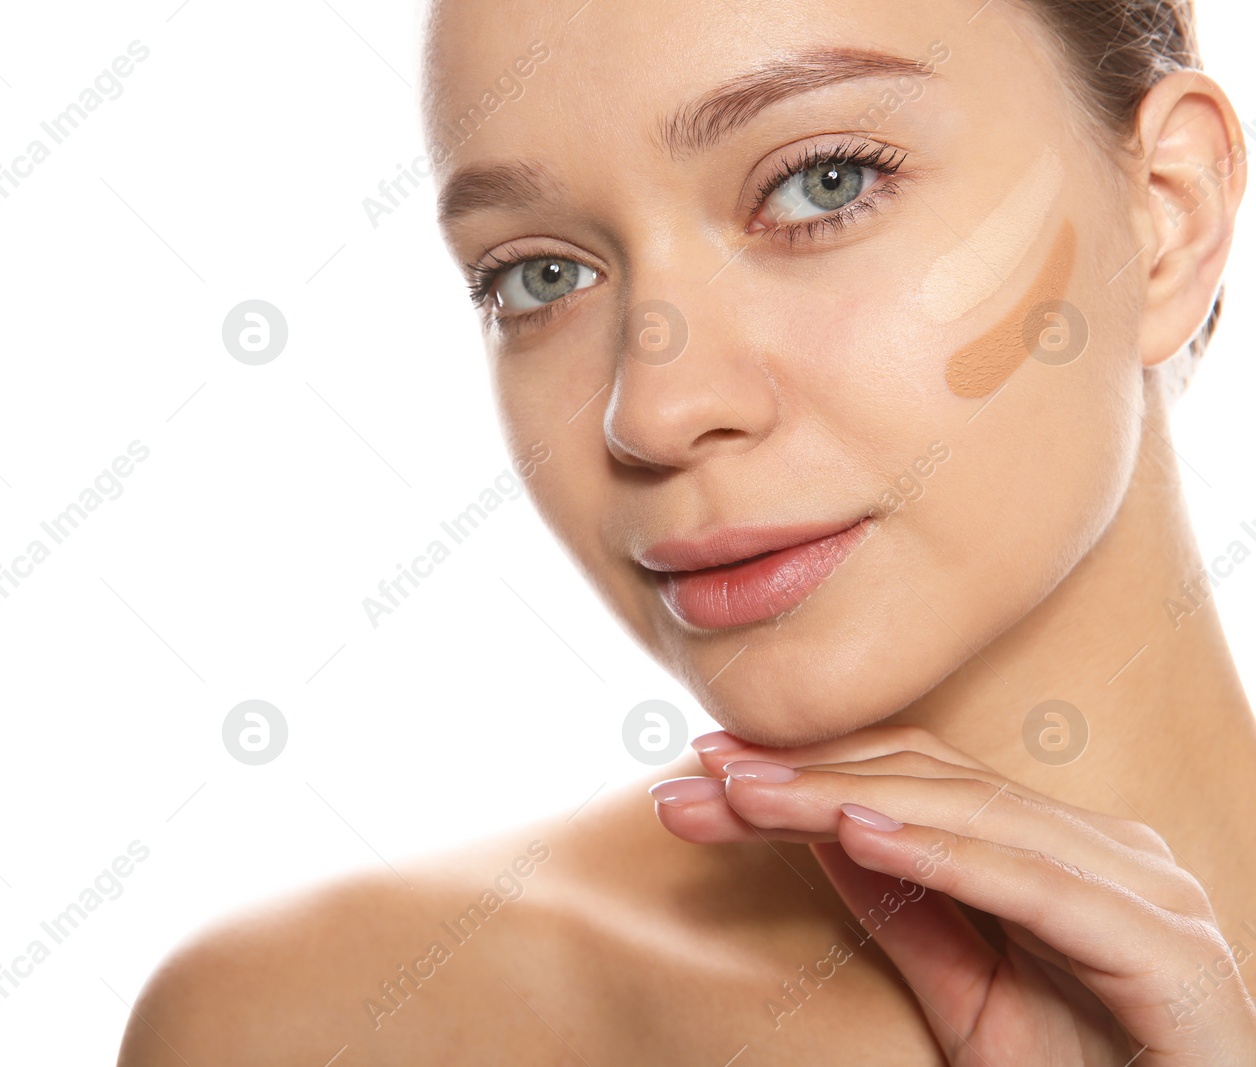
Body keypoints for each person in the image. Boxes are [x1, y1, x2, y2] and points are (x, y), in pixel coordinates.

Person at [117, 0, 1256, 1061]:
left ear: (1165, 214)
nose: (648, 411)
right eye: (539, 274)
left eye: (823, 181)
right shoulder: (326, 1023)